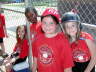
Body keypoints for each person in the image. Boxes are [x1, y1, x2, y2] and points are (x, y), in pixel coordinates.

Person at [32, 8, 74, 72]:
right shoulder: (37, 38)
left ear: (56, 24)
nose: (47, 26)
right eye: (44, 22)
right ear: (41, 22)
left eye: (51, 23)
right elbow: (35, 57)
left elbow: (68, 68)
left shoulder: (63, 41)